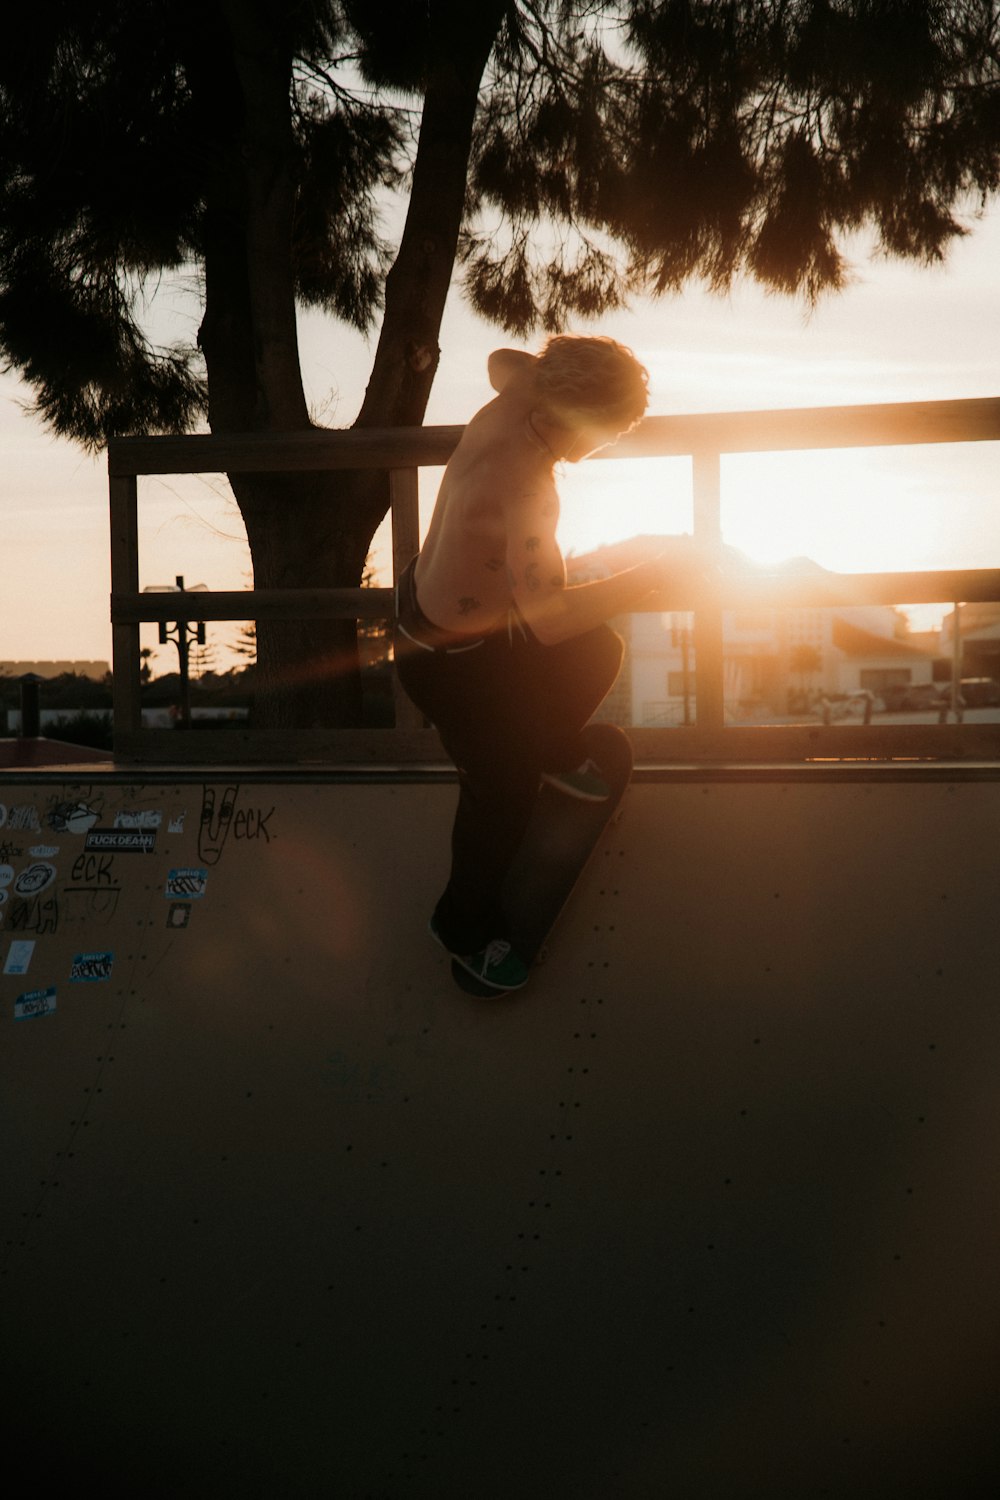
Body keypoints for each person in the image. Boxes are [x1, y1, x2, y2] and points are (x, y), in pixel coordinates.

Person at [394, 334, 703, 994]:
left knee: (599, 653)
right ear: (580, 420)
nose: (602, 448)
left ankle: (554, 751)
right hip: (455, 668)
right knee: (499, 795)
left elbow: (501, 359)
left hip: (441, 619)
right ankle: (460, 927)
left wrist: (551, 370)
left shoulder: (522, 386)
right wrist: (651, 573)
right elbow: (552, 617)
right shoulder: (529, 490)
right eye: (606, 433)